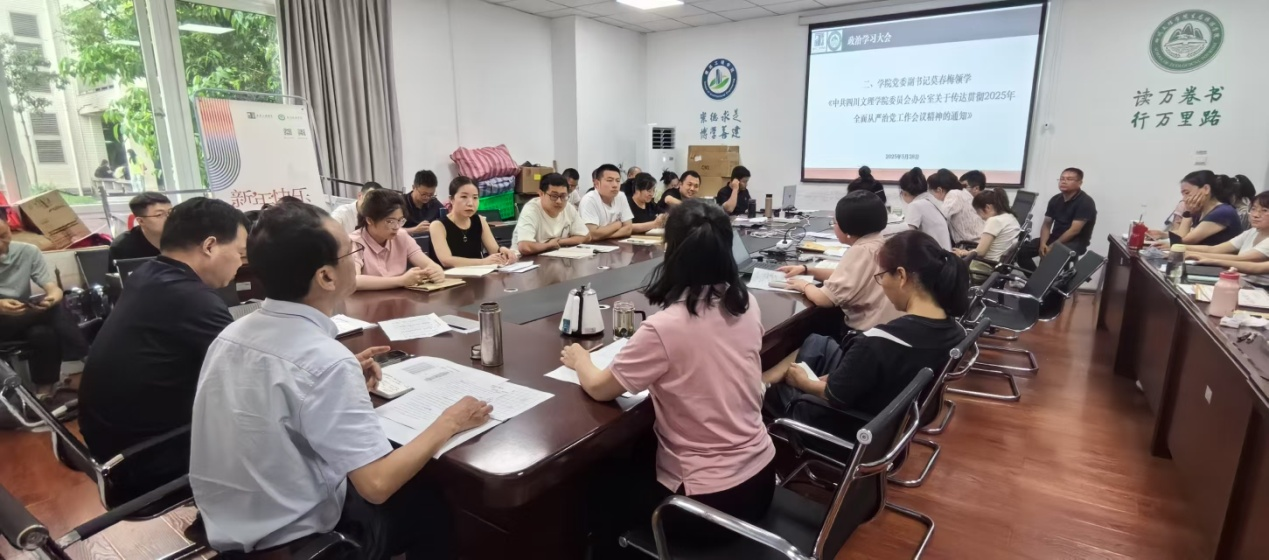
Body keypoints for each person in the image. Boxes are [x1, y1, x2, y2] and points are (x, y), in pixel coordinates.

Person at [190, 201, 491, 556]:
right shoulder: (326, 362)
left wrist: (332, 384)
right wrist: (450, 421)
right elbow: (376, 485)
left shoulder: (231, 334)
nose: (356, 258)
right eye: (351, 251)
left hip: (227, 523)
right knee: (434, 503)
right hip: (295, 542)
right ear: (326, 277)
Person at [560, 199, 775, 550]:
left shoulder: (665, 328)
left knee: (595, 488)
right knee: (638, 454)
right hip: (761, 479)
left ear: (671, 250)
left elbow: (599, 388)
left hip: (707, 504)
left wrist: (580, 359)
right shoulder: (745, 303)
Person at [79, 198, 249, 503]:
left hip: (112, 446)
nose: (241, 264)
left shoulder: (147, 274)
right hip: (148, 459)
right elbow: (250, 379)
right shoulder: (192, 298)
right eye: (240, 253)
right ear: (210, 246)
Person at [765, 230, 967, 422]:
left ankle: (761, 391)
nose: (882, 283)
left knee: (771, 394)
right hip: (892, 407)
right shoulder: (956, 331)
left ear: (901, 276)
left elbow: (833, 395)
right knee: (818, 342)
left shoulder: (878, 342)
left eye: (882, 276)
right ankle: (763, 379)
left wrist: (803, 382)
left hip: (849, 423)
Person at [777, 191, 902, 332]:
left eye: (835, 222)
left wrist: (803, 285)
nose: (833, 226)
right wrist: (807, 270)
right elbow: (846, 276)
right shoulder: (880, 243)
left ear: (847, 227)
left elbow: (823, 299)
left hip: (868, 335)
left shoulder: (860, 251)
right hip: (890, 330)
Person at [0, 220, 85, 399]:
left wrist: (51, 298)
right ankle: (84, 363)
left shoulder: (27, 251)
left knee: (43, 332)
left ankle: (43, 394)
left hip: (21, 318)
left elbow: (53, 288)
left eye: (3, 236)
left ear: (9, 230)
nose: (0, 244)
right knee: (51, 312)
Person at [351, 189, 444, 290]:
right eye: (390, 221)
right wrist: (401, 281)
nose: (396, 227)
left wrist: (436, 270)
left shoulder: (401, 236)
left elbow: (428, 264)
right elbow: (353, 280)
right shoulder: (354, 242)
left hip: (400, 298)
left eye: (400, 220)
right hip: (367, 299)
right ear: (370, 220)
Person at [1015, 168, 1097, 272]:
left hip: (1076, 242)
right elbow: (1046, 224)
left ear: (1079, 183)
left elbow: (1074, 230)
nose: (1064, 181)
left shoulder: (1085, 202)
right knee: (1020, 252)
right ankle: (1034, 278)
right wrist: (1043, 244)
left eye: (1069, 179)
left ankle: (1042, 279)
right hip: (1055, 238)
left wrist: (1053, 246)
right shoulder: (1055, 199)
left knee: (1049, 256)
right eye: (1062, 178)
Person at [429, 177, 517, 268]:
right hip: (448, 276)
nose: (470, 203)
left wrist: (503, 251)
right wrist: (483, 262)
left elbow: (494, 251)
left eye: (475, 197)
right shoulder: (438, 225)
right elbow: (446, 260)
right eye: (464, 197)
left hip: (478, 274)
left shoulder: (480, 220)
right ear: (451, 199)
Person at [513, 173, 590, 256]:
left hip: (555, 257)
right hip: (525, 260)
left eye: (563, 196)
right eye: (554, 196)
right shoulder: (531, 210)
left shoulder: (568, 208)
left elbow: (586, 236)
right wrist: (549, 245)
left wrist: (559, 242)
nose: (559, 201)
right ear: (541, 194)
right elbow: (525, 247)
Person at [954, 188, 1022, 282]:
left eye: (978, 212)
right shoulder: (1011, 218)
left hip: (982, 268)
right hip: (995, 266)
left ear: (987, 207)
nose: (980, 217)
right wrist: (967, 252)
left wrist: (963, 253)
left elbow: (981, 252)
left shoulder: (994, 221)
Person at [1161, 170, 1242, 247]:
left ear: (1206, 189)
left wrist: (1187, 213)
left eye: (1187, 193)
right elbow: (1184, 234)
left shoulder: (1223, 212)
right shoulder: (1200, 211)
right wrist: (1162, 234)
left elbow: (1183, 241)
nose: (1184, 199)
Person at [1189, 191, 1269, 268]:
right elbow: (1214, 249)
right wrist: (1183, 249)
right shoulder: (1252, 232)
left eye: (1264, 210)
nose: (1255, 215)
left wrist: (1193, 255)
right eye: (1254, 209)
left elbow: (1242, 258)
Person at [109, 192, 171, 270]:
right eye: (159, 215)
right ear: (141, 221)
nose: (169, 218)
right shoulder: (122, 247)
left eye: (170, 212)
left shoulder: (183, 237)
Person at [898, 167, 952, 250]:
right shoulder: (932, 200)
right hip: (945, 254)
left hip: (934, 256)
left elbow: (907, 237)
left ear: (904, 193)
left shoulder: (915, 205)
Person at [579, 164, 634, 241]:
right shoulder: (589, 199)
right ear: (596, 184)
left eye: (618, 181)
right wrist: (617, 225)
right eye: (609, 180)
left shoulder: (621, 196)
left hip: (615, 243)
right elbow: (593, 234)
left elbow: (628, 229)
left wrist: (603, 234)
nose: (615, 185)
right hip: (594, 246)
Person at [929, 168, 983, 247]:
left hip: (971, 246)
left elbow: (939, 218)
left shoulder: (954, 194)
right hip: (979, 243)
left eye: (932, 193)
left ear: (939, 190)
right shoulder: (964, 194)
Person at [403, 170, 446, 235]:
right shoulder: (400, 203)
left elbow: (447, 222)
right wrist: (414, 230)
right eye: (423, 194)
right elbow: (391, 230)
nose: (427, 197)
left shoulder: (434, 203)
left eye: (431, 194)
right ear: (414, 187)